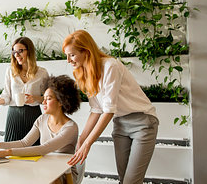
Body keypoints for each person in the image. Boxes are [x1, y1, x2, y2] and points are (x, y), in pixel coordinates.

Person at [63, 30, 159, 184]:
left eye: (72, 55)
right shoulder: (85, 73)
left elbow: (109, 110)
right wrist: (82, 139)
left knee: (131, 182)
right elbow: (96, 110)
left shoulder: (110, 66)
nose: (68, 60)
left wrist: (88, 143)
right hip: (120, 124)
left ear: (86, 52)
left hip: (143, 122)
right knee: (123, 180)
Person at [0, 75, 81, 184]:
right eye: (44, 98)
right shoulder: (42, 119)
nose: (43, 102)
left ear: (61, 101)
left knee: (48, 178)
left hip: (65, 173)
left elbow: (43, 149)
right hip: (45, 168)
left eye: (48, 99)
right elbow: (24, 142)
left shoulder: (71, 127)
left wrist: (6, 153)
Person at [0, 37, 49, 145]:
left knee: (34, 152)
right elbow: (6, 94)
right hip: (14, 116)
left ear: (30, 51)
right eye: (14, 52)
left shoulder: (42, 73)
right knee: (11, 152)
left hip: (33, 116)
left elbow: (48, 98)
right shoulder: (10, 71)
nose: (17, 55)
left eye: (20, 51)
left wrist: (36, 98)